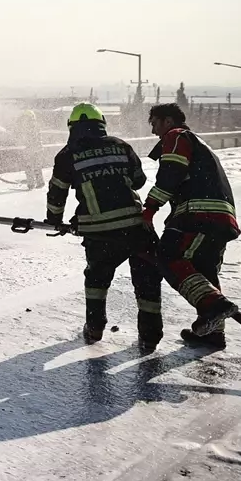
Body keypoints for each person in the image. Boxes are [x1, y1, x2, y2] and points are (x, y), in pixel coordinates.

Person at [45, 103, 162, 350]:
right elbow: (139, 181)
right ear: (102, 124)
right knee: (147, 279)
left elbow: (57, 192)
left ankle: (95, 328)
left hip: (100, 232)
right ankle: (151, 336)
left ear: (72, 128)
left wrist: (54, 219)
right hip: (136, 226)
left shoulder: (67, 154)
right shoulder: (121, 145)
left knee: (97, 279)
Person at [143, 103, 240, 348]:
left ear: (167, 121)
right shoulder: (199, 143)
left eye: (155, 123)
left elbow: (170, 174)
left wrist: (150, 208)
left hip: (199, 215)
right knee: (204, 269)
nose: (154, 131)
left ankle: (213, 306)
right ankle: (212, 333)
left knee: (168, 255)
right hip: (219, 217)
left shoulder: (176, 136)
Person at [18, 110, 46, 190]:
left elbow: (28, 138)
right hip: (37, 148)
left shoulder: (30, 126)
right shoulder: (35, 125)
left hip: (32, 148)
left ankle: (31, 184)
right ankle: (39, 182)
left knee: (29, 166)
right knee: (37, 166)